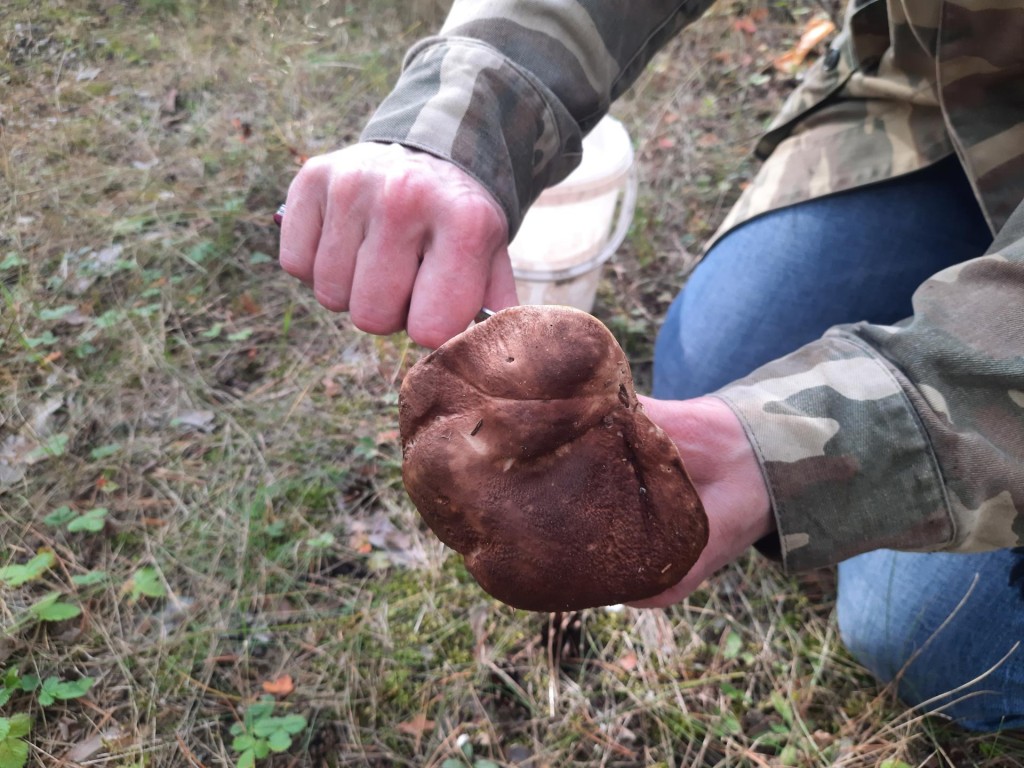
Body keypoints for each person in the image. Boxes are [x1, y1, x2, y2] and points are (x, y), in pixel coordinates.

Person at [278, 1, 1024, 731]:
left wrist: (837, 440)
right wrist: (454, 126)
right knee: (713, 363)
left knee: (928, 638)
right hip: (935, 94)